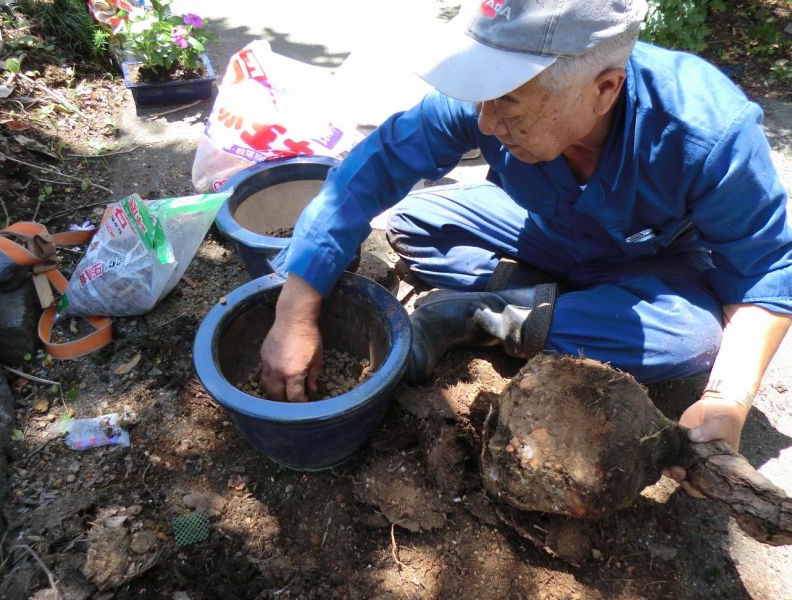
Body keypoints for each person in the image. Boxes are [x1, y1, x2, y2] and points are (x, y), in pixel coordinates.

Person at [259, 0, 792, 488]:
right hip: (548, 231)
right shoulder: (487, 103)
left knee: (693, 339)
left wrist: (727, 401)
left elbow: (765, 271)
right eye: (483, 96)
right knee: (415, 222)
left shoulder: (706, 131)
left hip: (650, 264)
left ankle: (480, 318)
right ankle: (550, 306)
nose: (486, 121)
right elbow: (376, 165)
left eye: (510, 102)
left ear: (603, 90)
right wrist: (295, 311)